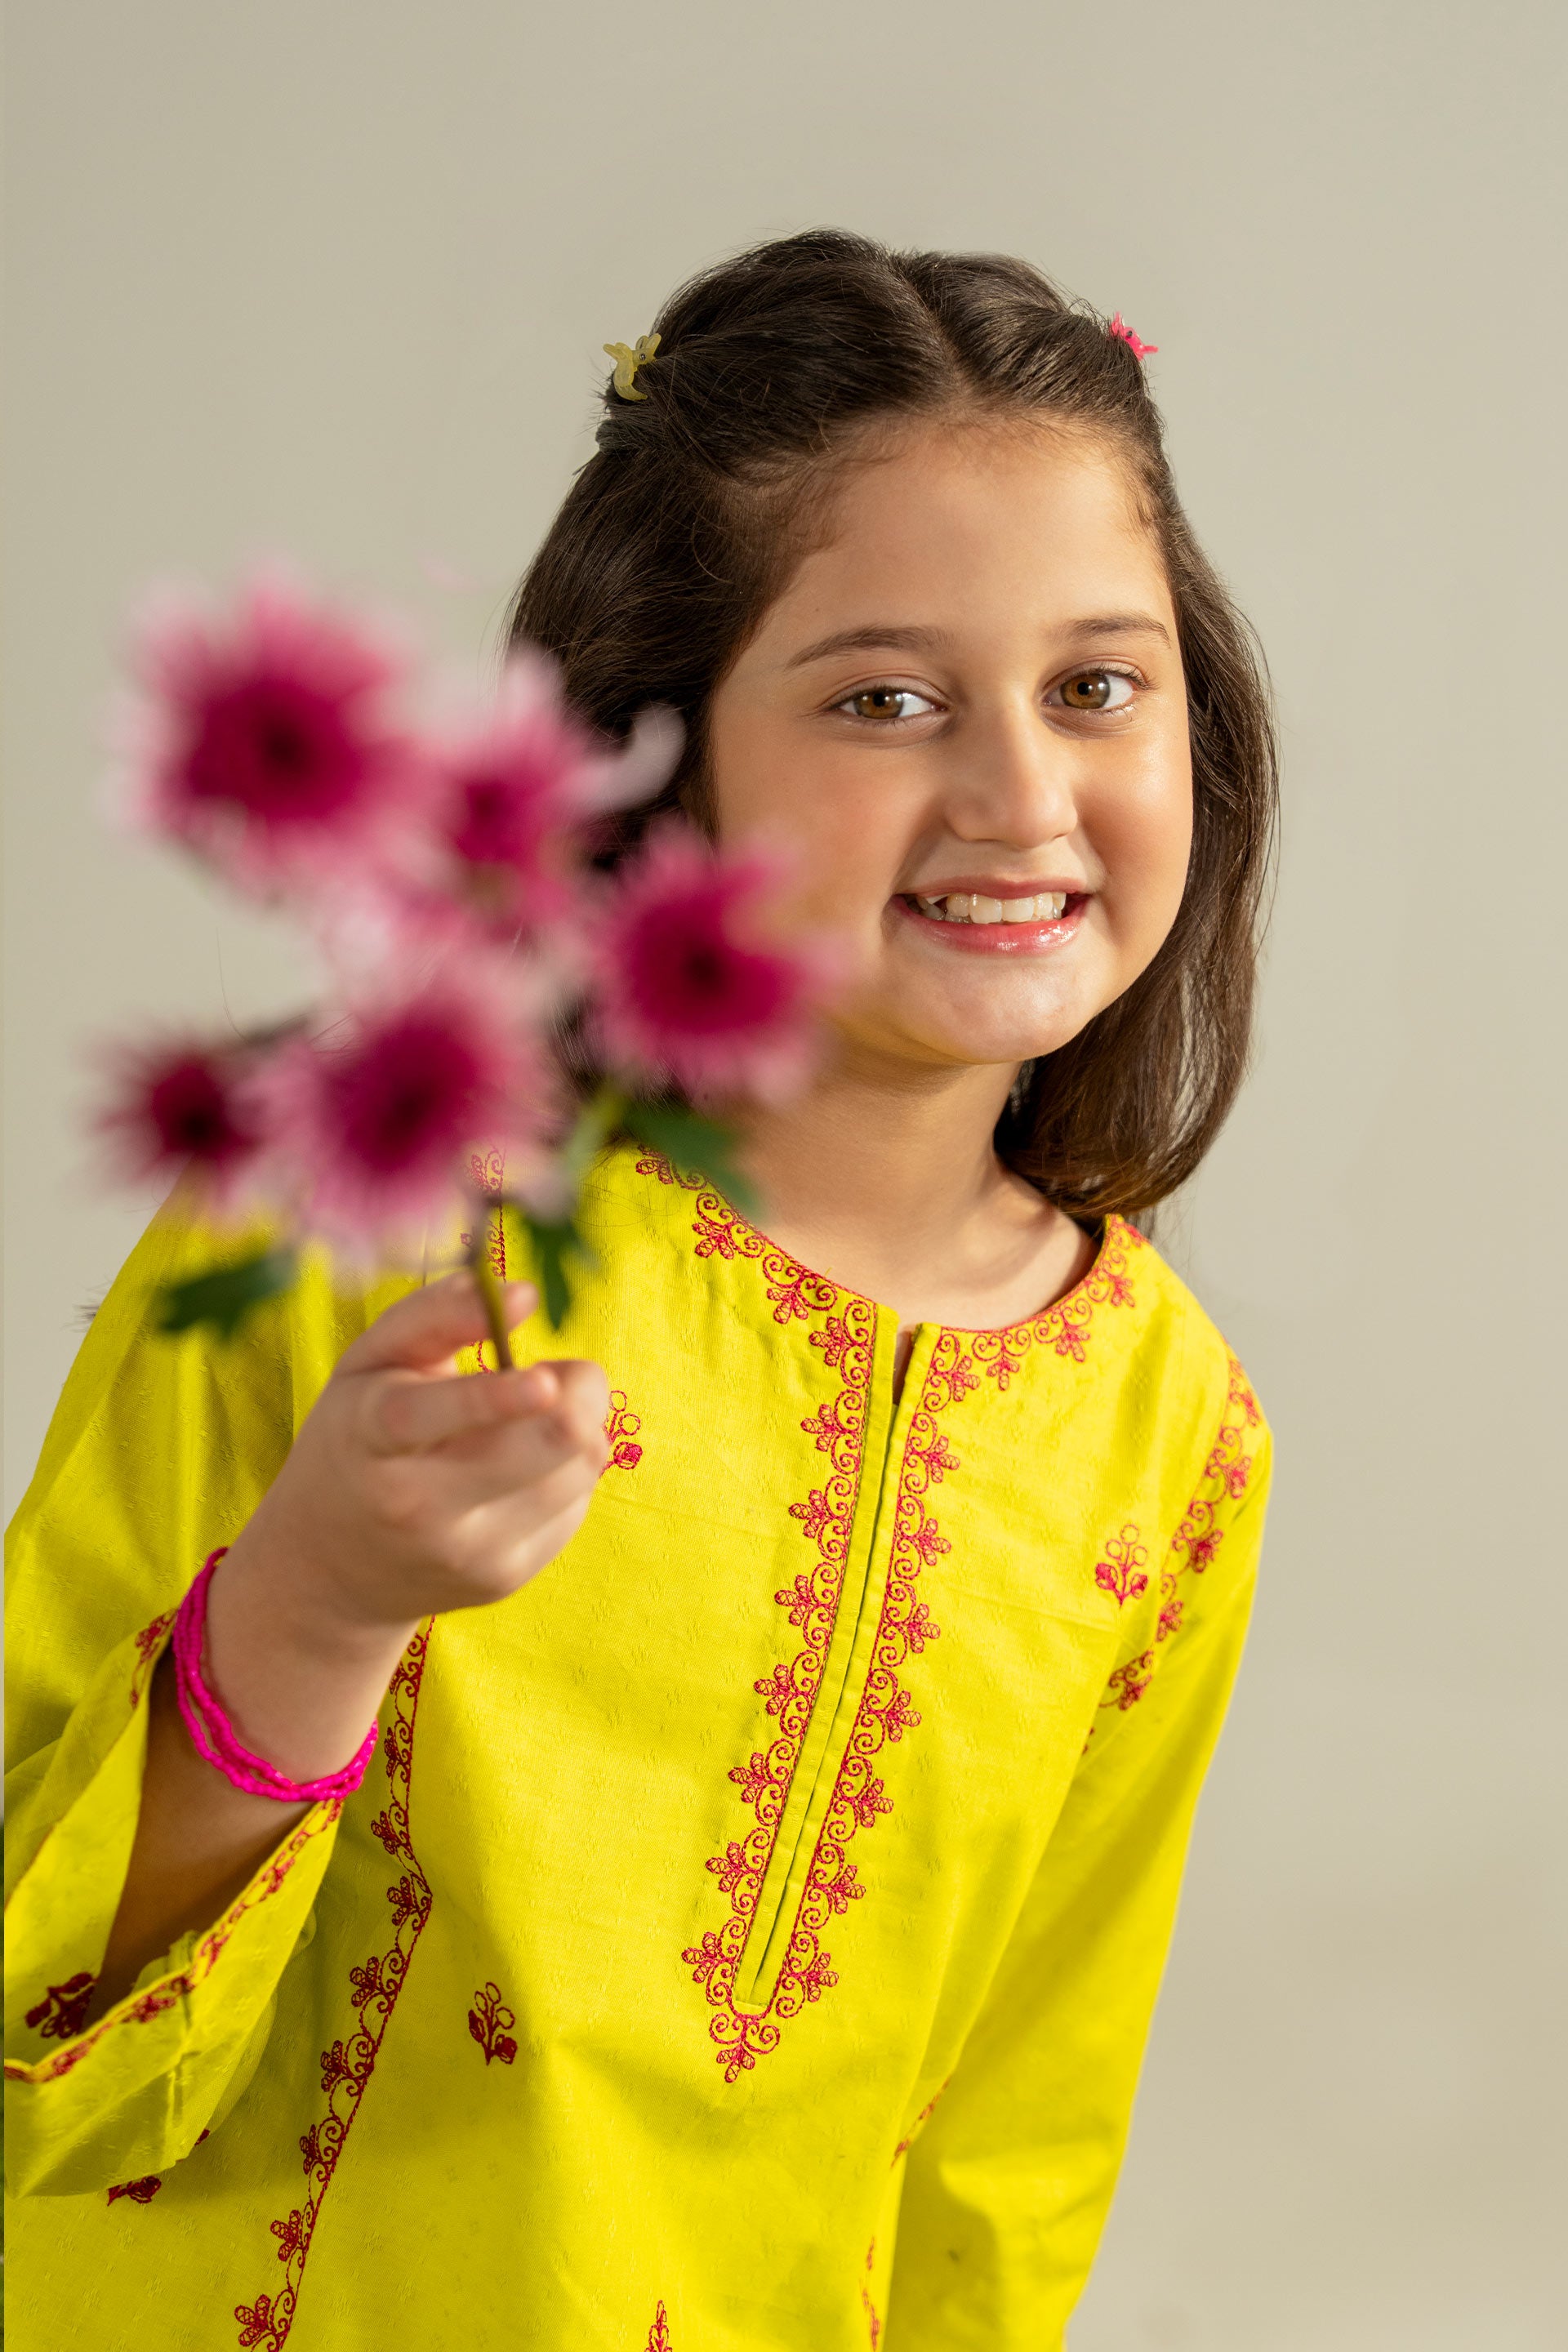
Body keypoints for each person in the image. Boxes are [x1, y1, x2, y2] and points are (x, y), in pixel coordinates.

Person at [5, 229, 1276, 2350]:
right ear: (657, 752)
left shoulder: (1177, 1436)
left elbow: (1008, 2163)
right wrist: (311, 1605)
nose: (1020, 794)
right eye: (884, 698)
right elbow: (34, 2055)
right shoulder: (363, 1219)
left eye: (1097, 685)